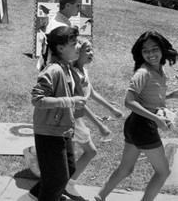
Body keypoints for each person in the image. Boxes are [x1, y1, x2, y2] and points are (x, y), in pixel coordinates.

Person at [91, 31, 178, 201]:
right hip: (143, 126)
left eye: (154, 49)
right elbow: (129, 102)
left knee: (125, 169)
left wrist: (171, 95)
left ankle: (98, 198)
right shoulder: (142, 73)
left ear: (162, 49)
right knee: (163, 172)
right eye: (146, 51)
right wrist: (157, 119)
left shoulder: (159, 71)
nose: (151, 54)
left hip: (135, 125)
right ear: (140, 53)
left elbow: (150, 96)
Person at [18, 26, 86, 201]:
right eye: (74, 43)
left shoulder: (67, 68)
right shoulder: (53, 70)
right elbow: (37, 99)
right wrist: (69, 102)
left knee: (68, 171)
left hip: (62, 129)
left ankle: (30, 197)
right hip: (49, 131)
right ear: (61, 48)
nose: (78, 46)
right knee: (57, 179)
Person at [63, 38, 123, 201]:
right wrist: (100, 125)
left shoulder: (83, 71)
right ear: (77, 54)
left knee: (69, 153)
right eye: (87, 50)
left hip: (76, 116)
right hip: (72, 118)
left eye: (92, 50)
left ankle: (62, 183)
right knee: (91, 151)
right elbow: (80, 101)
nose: (91, 53)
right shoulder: (74, 73)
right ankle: (68, 185)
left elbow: (92, 93)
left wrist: (112, 109)